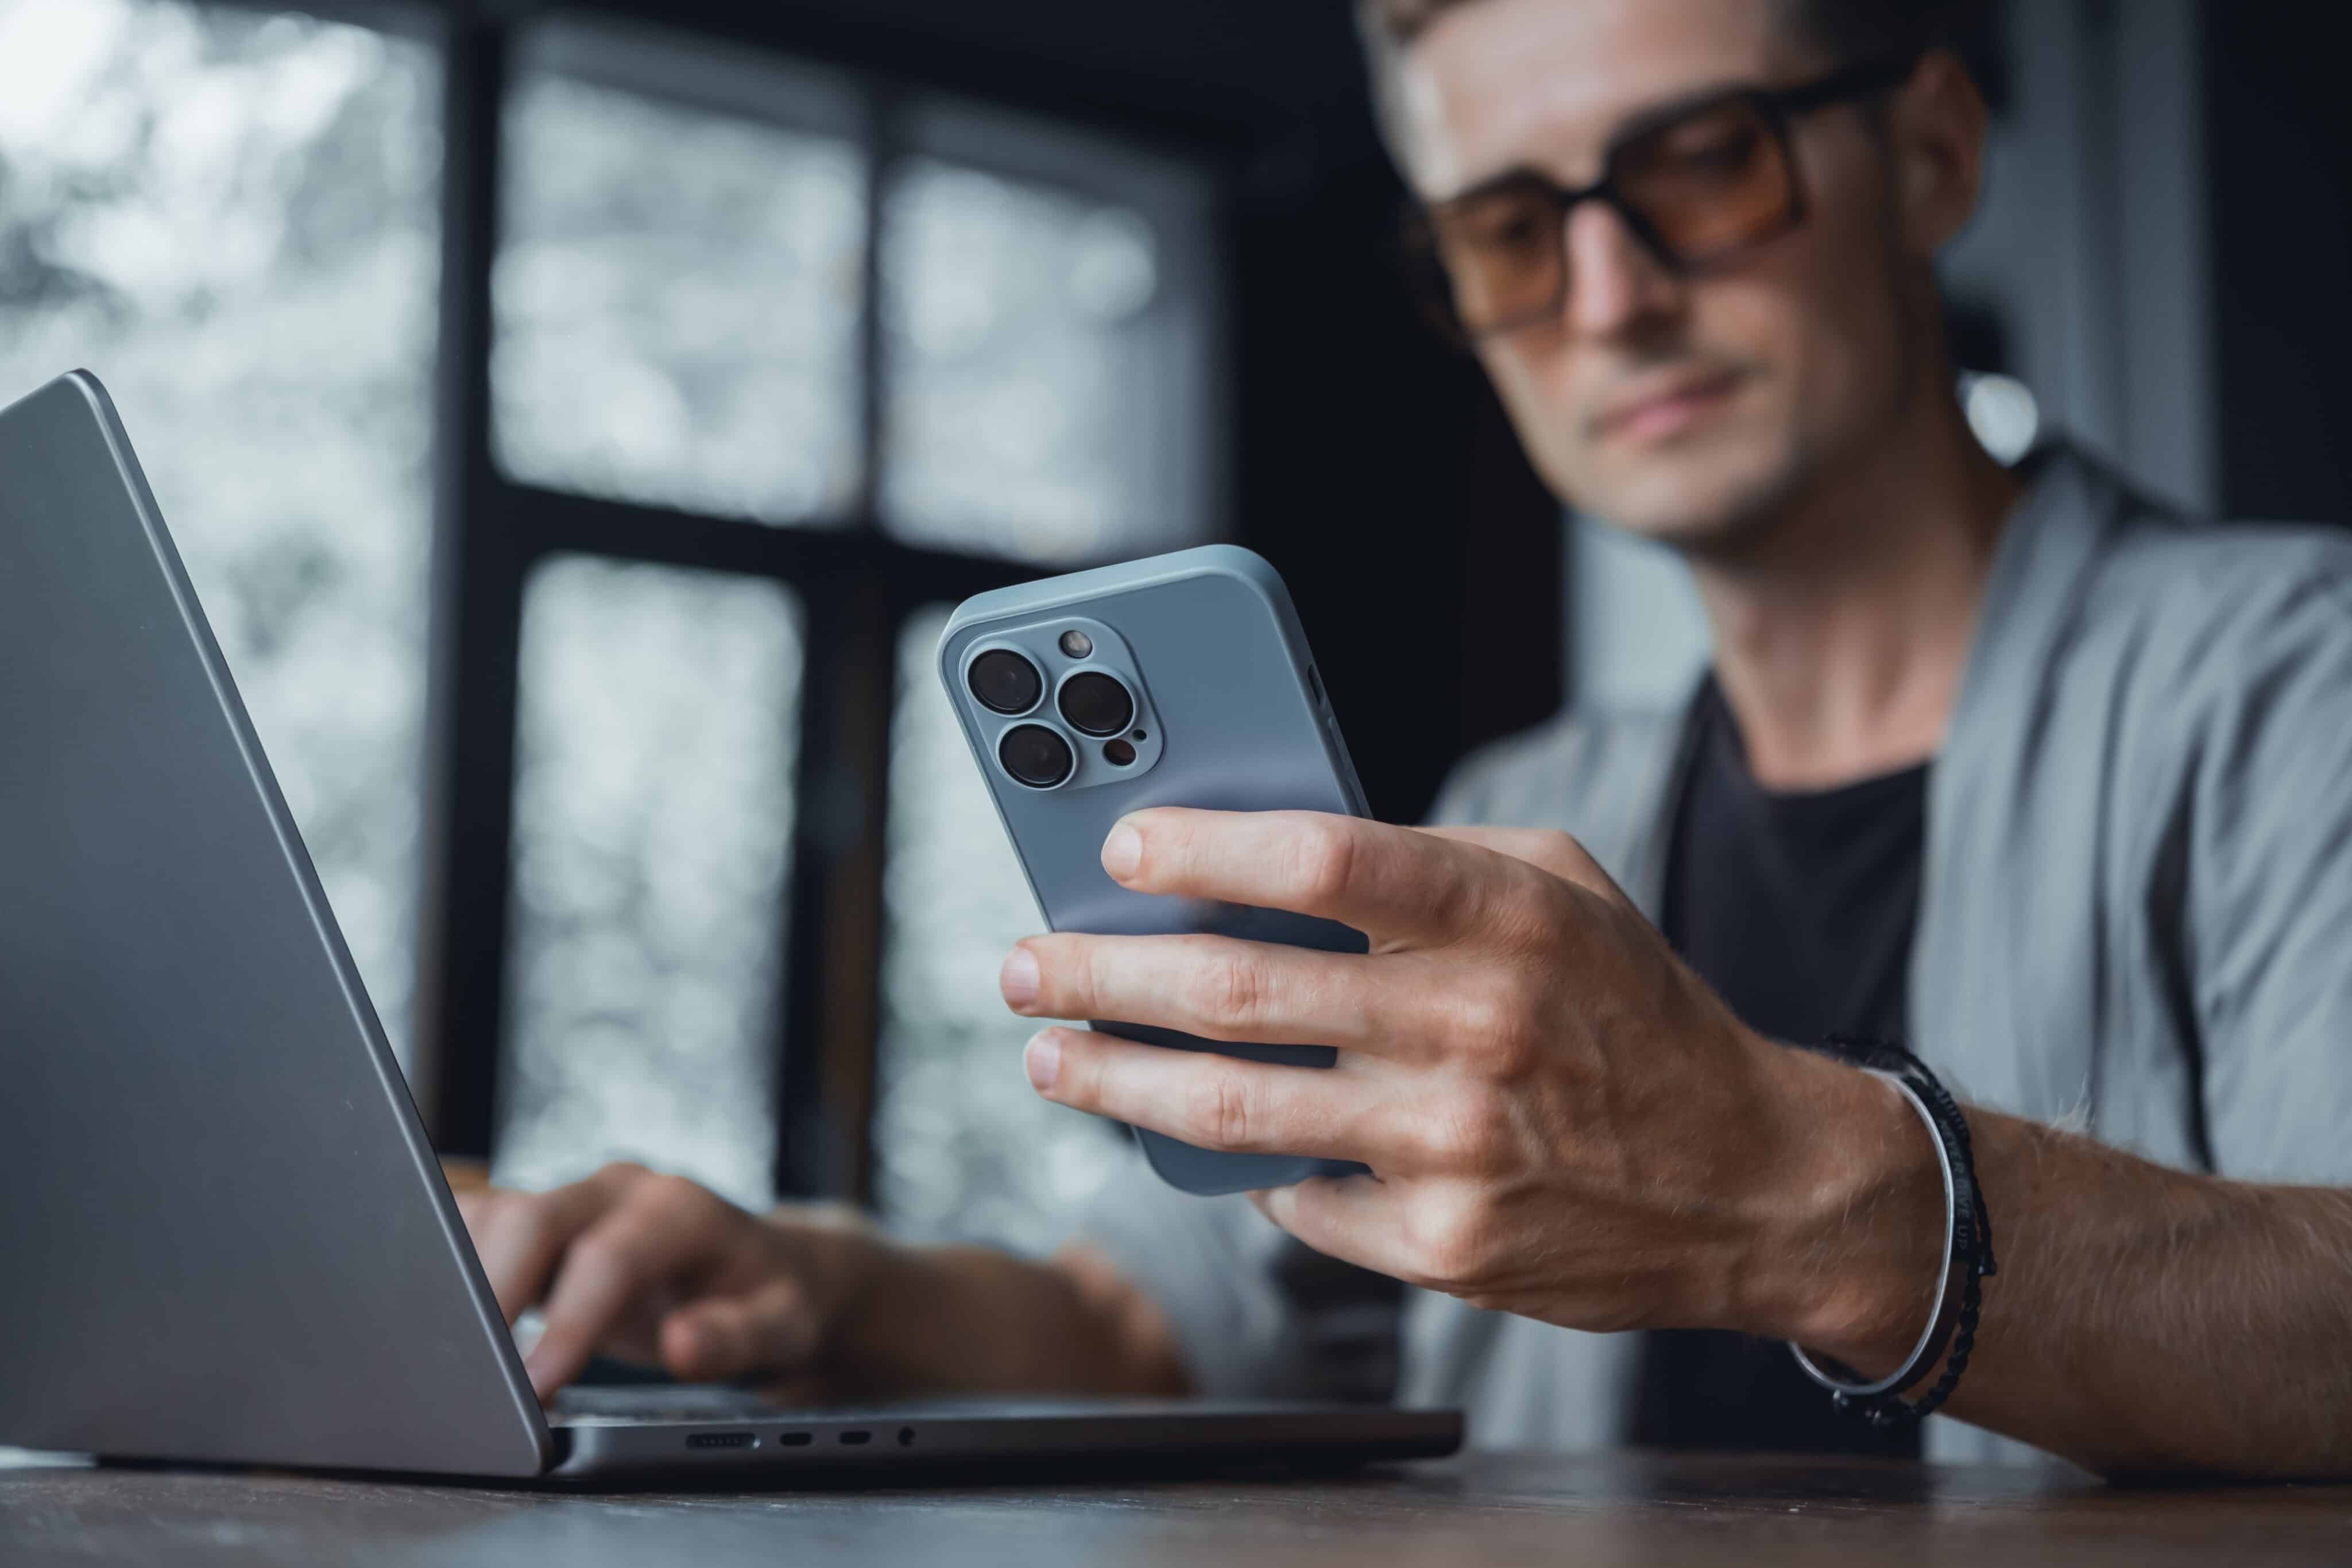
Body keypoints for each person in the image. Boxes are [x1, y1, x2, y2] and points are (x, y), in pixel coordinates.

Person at [458, 0, 2352, 1477]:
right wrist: (810, 1283)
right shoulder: (1525, 816)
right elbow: (1174, 1331)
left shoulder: (2299, 681)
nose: (1609, 298)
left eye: (1702, 161)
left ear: (1933, 150)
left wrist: (1808, 1189)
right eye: (1511, 229)